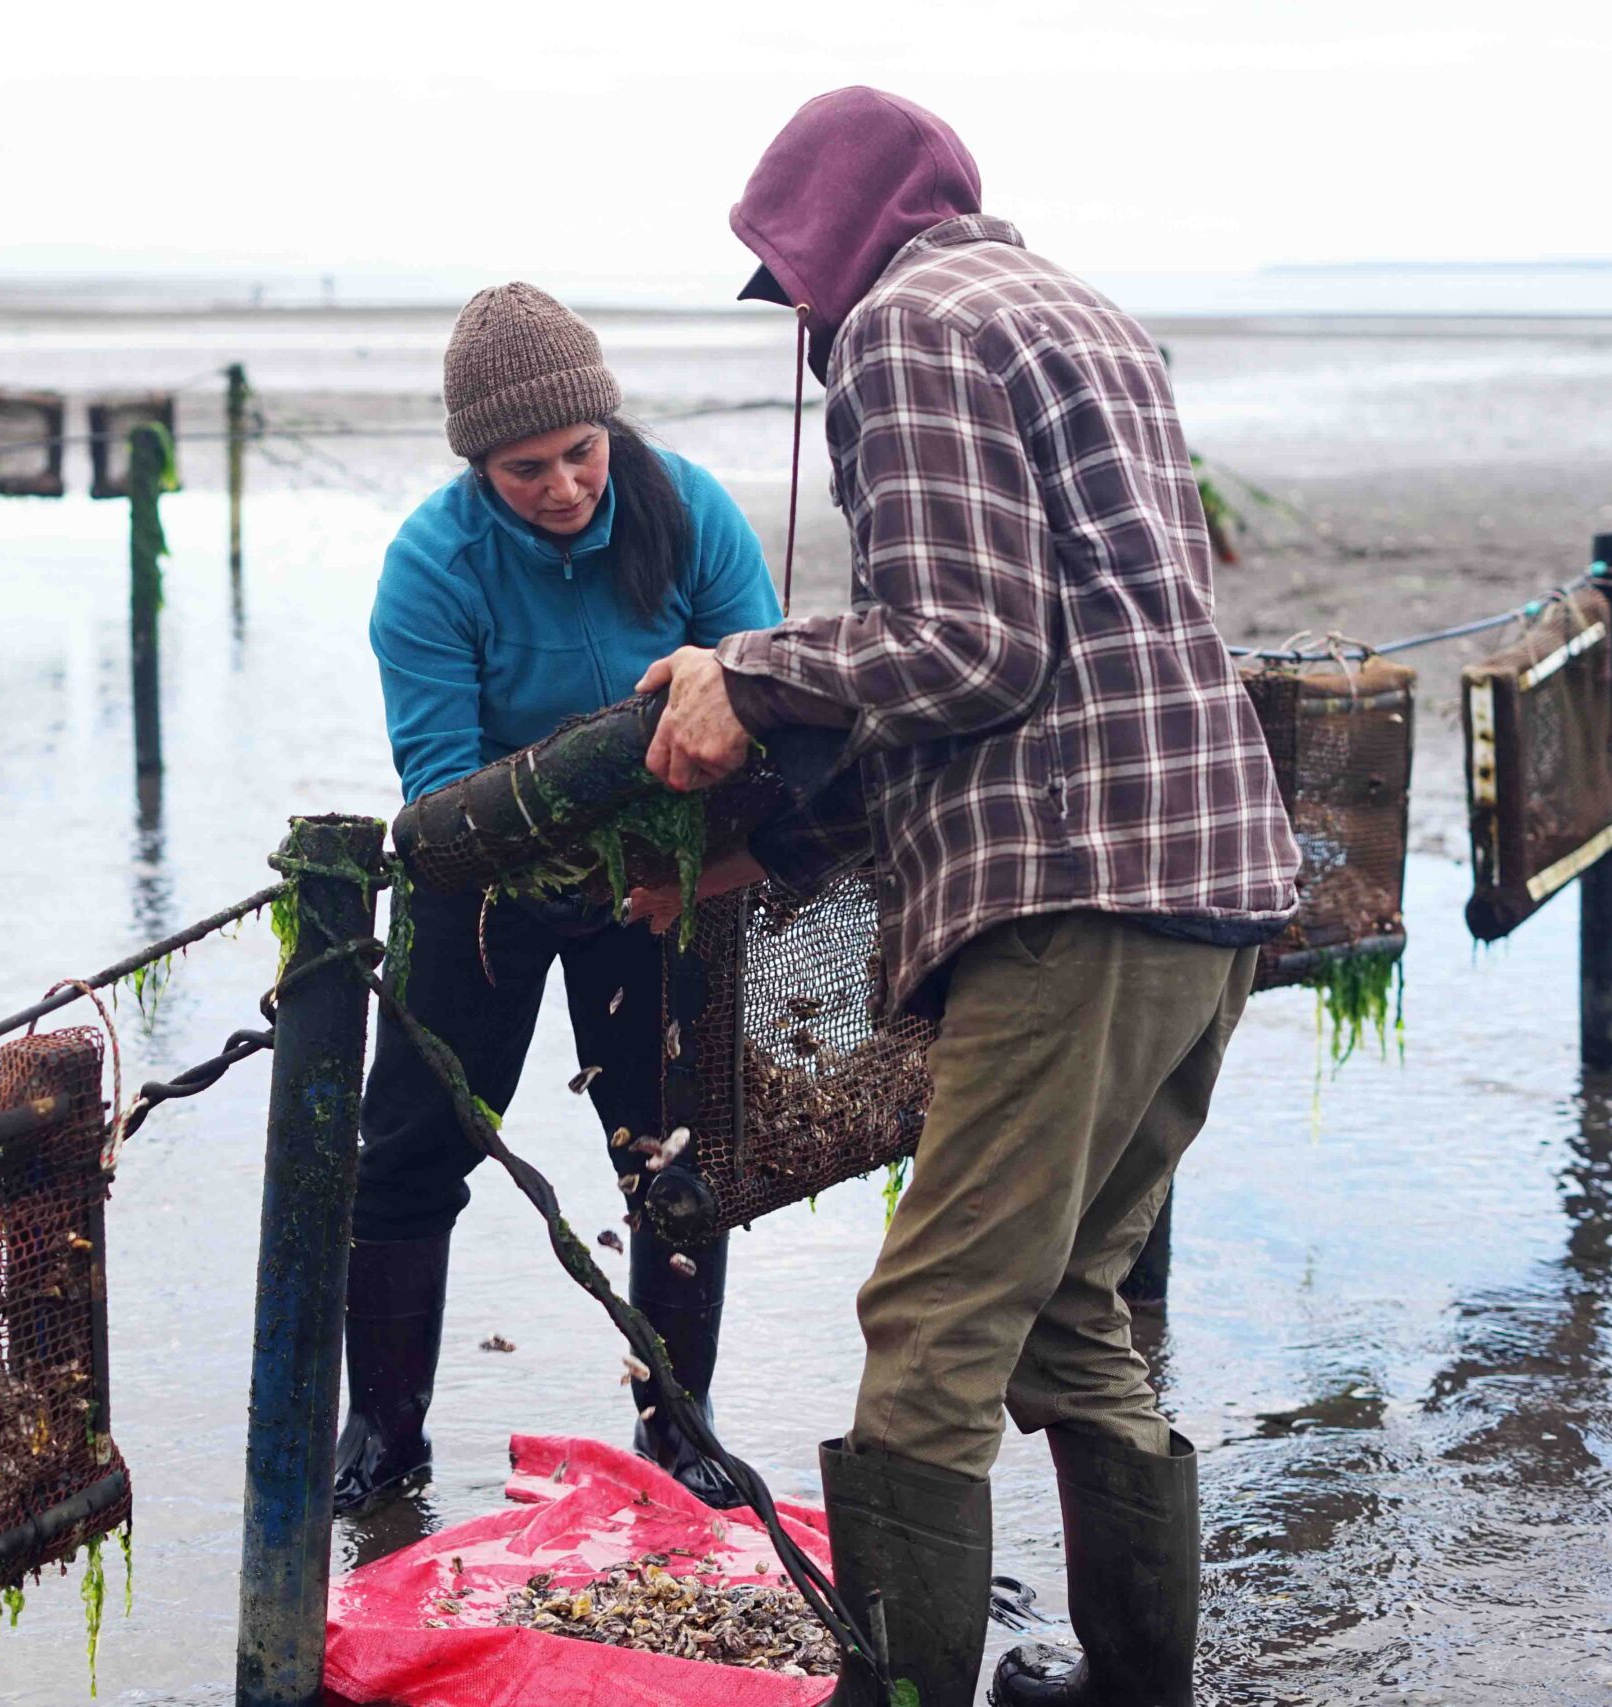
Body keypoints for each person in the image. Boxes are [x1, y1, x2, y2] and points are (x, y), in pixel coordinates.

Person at [633, 90, 1302, 1707]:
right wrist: (781, 852)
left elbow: (965, 644)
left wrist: (744, 670)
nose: (796, 322)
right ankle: (1141, 1689)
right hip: (1213, 874)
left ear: (821, 245)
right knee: (1075, 1294)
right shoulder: (1079, 310)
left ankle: (897, 1693)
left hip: (1080, 891)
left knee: (931, 1314)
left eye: (786, 281)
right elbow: (1060, 643)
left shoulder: (902, 329)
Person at [342, 282, 785, 1513]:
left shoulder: (687, 511)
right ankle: (382, 1443)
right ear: (478, 464)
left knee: (675, 1161)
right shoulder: (431, 564)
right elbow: (435, 789)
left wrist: (671, 866)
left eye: (581, 453)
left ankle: (679, 1434)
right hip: (479, 890)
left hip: (663, 880)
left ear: (609, 430)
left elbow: (763, 705)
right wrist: (559, 851)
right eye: (525, 466)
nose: (563, 486)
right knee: (404, 1162)